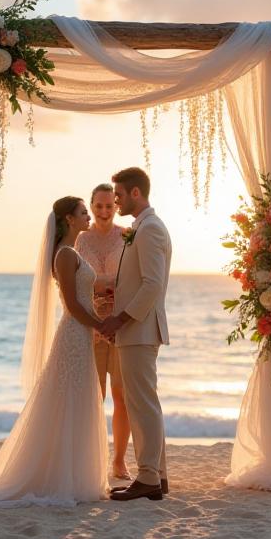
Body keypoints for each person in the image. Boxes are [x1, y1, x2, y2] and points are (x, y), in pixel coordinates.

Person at [0, 197, 109, 507]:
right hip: (74, 335)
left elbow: (82, 299)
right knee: (69, 401)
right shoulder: (65, 255)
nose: (89, 217)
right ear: (69, 219)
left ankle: (77, 474)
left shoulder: (73, 253)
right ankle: (61, 477)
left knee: (80, 400)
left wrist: (98, 314)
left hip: (82, 334)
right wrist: (102, 325)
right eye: (84, 212)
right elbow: (72, 307)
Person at [101, 167, 172, 502]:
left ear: (135, 193)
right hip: (137, 329)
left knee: (142, 404)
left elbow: (152, 284)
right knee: (144, 402)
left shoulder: (150, 229)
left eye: (118, 195)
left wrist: (121, 320)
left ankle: (147, 478)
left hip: (140, 329)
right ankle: (158, 475)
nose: (115, 202)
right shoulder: (141, 228)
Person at [75, 183, 132, 481]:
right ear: (92, 205)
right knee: (92, 396)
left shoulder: (126, 235)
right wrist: (106, 284)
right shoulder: (80, 239)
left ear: (115, 206)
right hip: (90, 326)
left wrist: (105, 284)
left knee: (121, 395)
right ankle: (90, 459)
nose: (104, 211)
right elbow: (76, 279)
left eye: (109, 205)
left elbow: (131, 278)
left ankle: (119, 461)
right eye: (98, 206)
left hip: (121, 326)